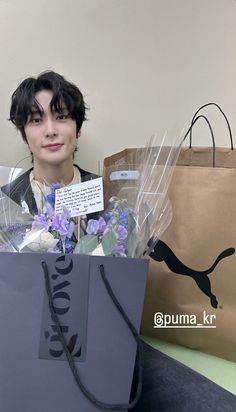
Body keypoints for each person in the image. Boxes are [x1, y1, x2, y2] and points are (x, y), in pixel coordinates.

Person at [2, 71, 236, 411]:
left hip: (107, 339)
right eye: (36, 120)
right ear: (24, 133)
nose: (50, 129)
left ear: (78, 128)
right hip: (29, 344)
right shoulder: (6, 204)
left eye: (62, 116)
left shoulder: (113, 194)